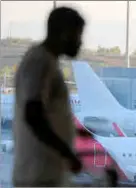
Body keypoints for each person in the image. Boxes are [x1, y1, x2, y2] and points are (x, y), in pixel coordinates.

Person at [12, 7, 86, 187]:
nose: (80, 43)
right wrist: (66, 153)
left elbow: (43, 114)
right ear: (64, 34)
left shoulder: (45, 61)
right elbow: (33, 115)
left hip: (44, 175)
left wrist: (71, 130)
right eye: (78, 36)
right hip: (39, 176)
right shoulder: (40, 62)